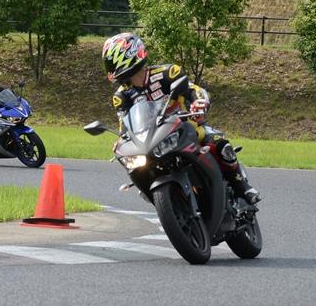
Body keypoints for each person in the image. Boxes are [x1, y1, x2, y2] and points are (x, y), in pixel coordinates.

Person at [101, 32, 260, 204]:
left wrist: (199, 102)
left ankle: (242, 185)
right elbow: (125, 126)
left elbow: (193, 90)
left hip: (185, 125)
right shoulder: (122, 96)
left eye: (110, 62)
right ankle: (160, 196)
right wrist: (121, 140)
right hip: (152, 138)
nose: (109, 67)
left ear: (131, 53)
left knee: (218, 142)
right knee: (134, 163)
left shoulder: (167, 73)